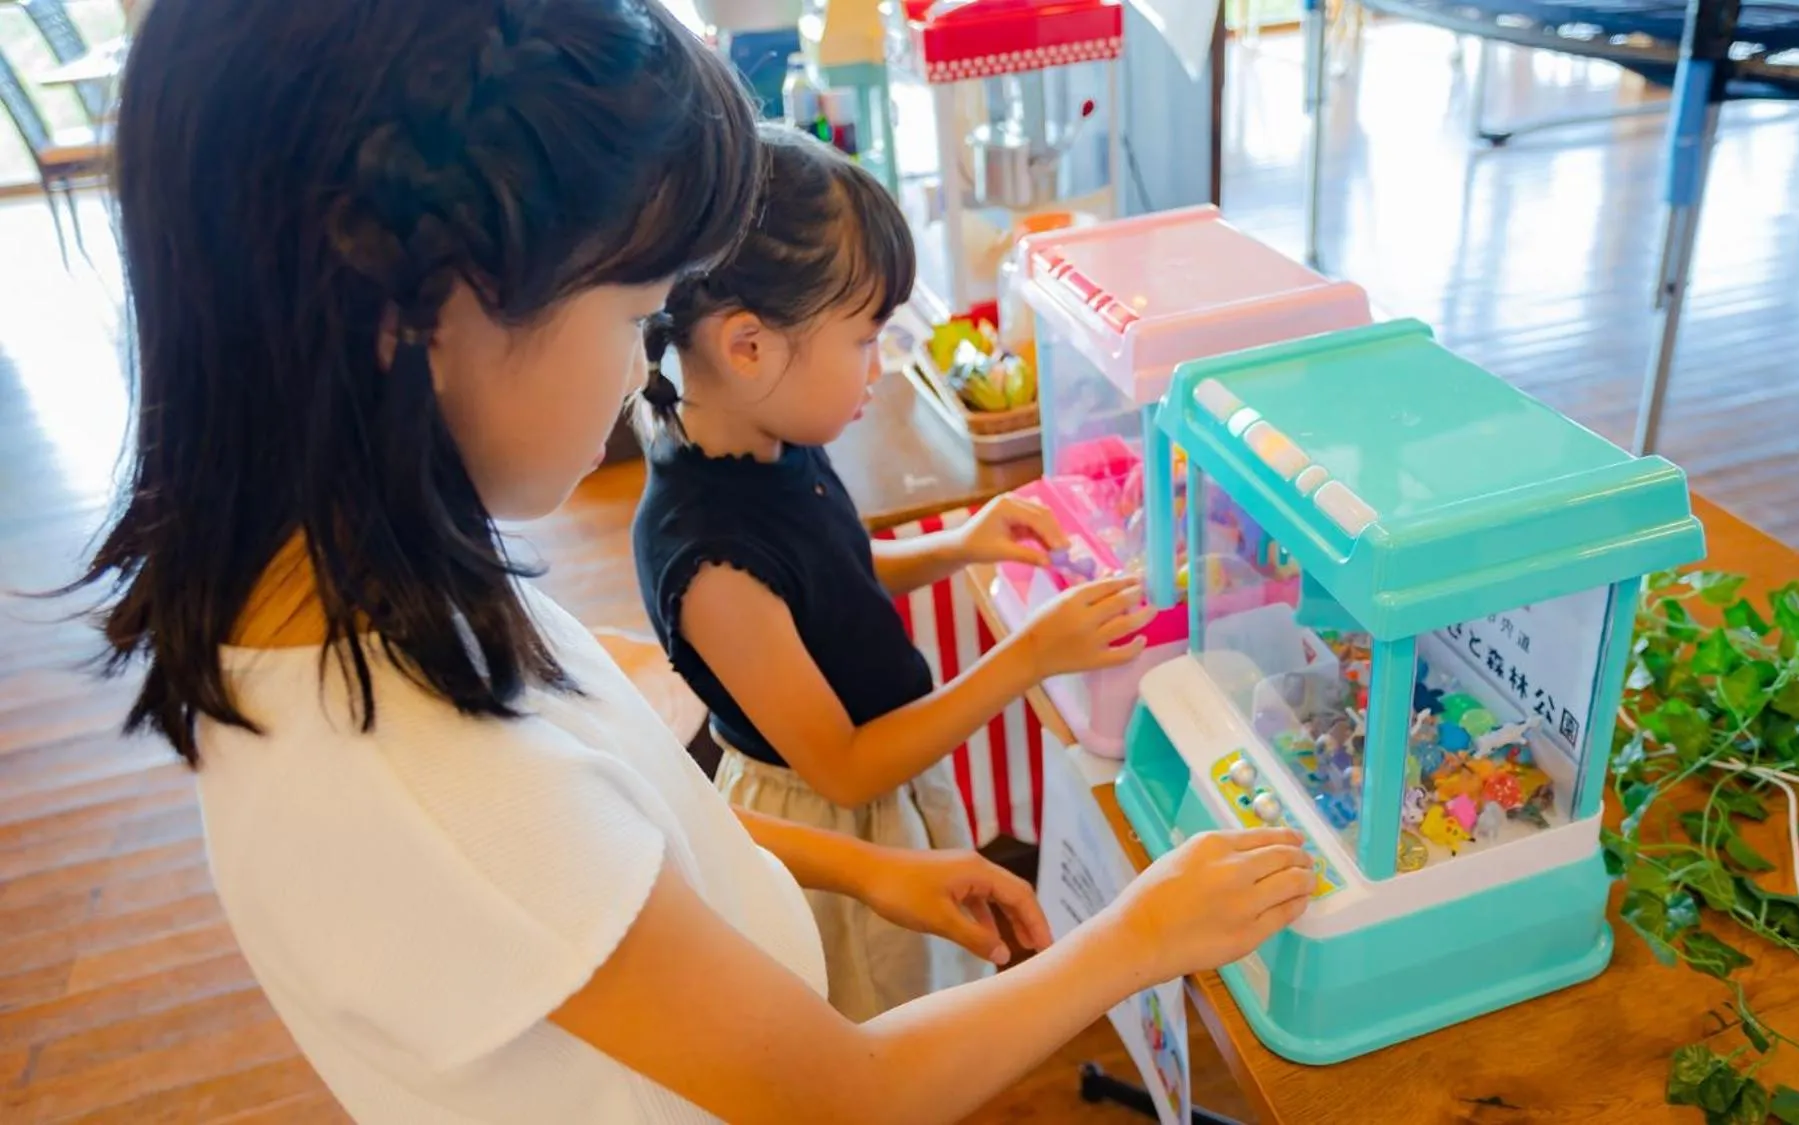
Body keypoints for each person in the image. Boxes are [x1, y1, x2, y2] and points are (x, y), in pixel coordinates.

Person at [76, 2, 1315, 1123]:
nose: (637, 371)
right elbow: (850, 1094)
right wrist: (1138, 937)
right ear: (427, 311)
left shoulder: (371, 593)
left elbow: (636, 851)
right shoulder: (425, 781)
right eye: (630, 317)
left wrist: (862, 869)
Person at [632, 125, 1153, 1021]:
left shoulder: (766, 436)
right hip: (835, 828)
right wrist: (1025, 657)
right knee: (886, 1015)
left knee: (937, 991)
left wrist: (961, 544)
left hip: (891, 791)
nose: (883, 365)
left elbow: (830, 568)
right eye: (866, 337)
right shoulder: (708, 558)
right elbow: (845, 766)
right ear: (747, 344)